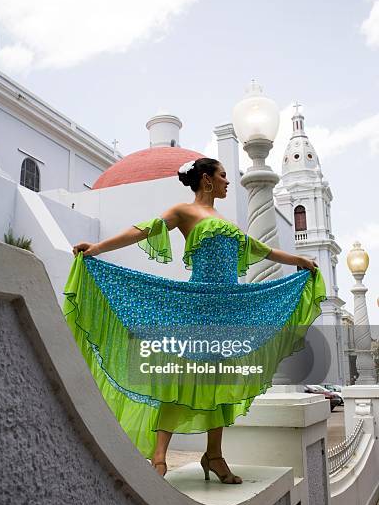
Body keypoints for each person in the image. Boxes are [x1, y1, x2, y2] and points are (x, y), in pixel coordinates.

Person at [64, 157, 326, 484]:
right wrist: (98, 248)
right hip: (197, 306)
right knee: (182, 376)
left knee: (219, 380)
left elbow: (260, 249)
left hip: (228, 309)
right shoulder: (185, 212)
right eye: (223, 176)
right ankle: (159, 457)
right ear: (206, 180)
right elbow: (143, 229)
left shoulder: (225, 221)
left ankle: (214, 455)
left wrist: (298, 259)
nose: (228, 182)